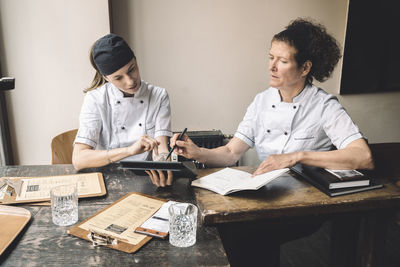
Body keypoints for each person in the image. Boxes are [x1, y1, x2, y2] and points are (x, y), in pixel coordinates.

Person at [170, 18, 374, 266]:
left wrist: (296, 156)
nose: (272, 67)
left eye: (283, 61)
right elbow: (231, 152)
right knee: (225, 232)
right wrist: (196, 152)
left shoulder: (324, 106)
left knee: (249, 238)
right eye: (270, 58)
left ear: (305, 68)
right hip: (264, 196)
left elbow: (363, 156)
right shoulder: (261, 102)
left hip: (305, 205)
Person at [72, 33, 173, 187]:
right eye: (118, 78)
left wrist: (164, 167)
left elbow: (162, 148)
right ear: (106, 78)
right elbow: (78, 160)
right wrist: (129, 151)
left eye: (132, 69)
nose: (130, 81)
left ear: (136, 61)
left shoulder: (159, 96)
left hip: (147, 179)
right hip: (106, 180)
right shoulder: (95, 99)